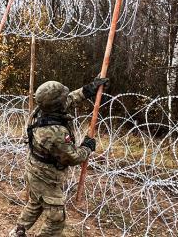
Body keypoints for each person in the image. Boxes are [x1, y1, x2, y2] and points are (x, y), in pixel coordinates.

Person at [9, 78, 109, 237]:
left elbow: (69, 100)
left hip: (34, 170)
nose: (66, 99)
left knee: (35, 203)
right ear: (56, 105)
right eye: (62, 98)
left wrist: (89, 89)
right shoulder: (54, 132)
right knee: (56, 219)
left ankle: (18, 231)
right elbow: (72, 157)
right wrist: (87, 147)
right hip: (46, 178)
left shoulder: (42, 109)